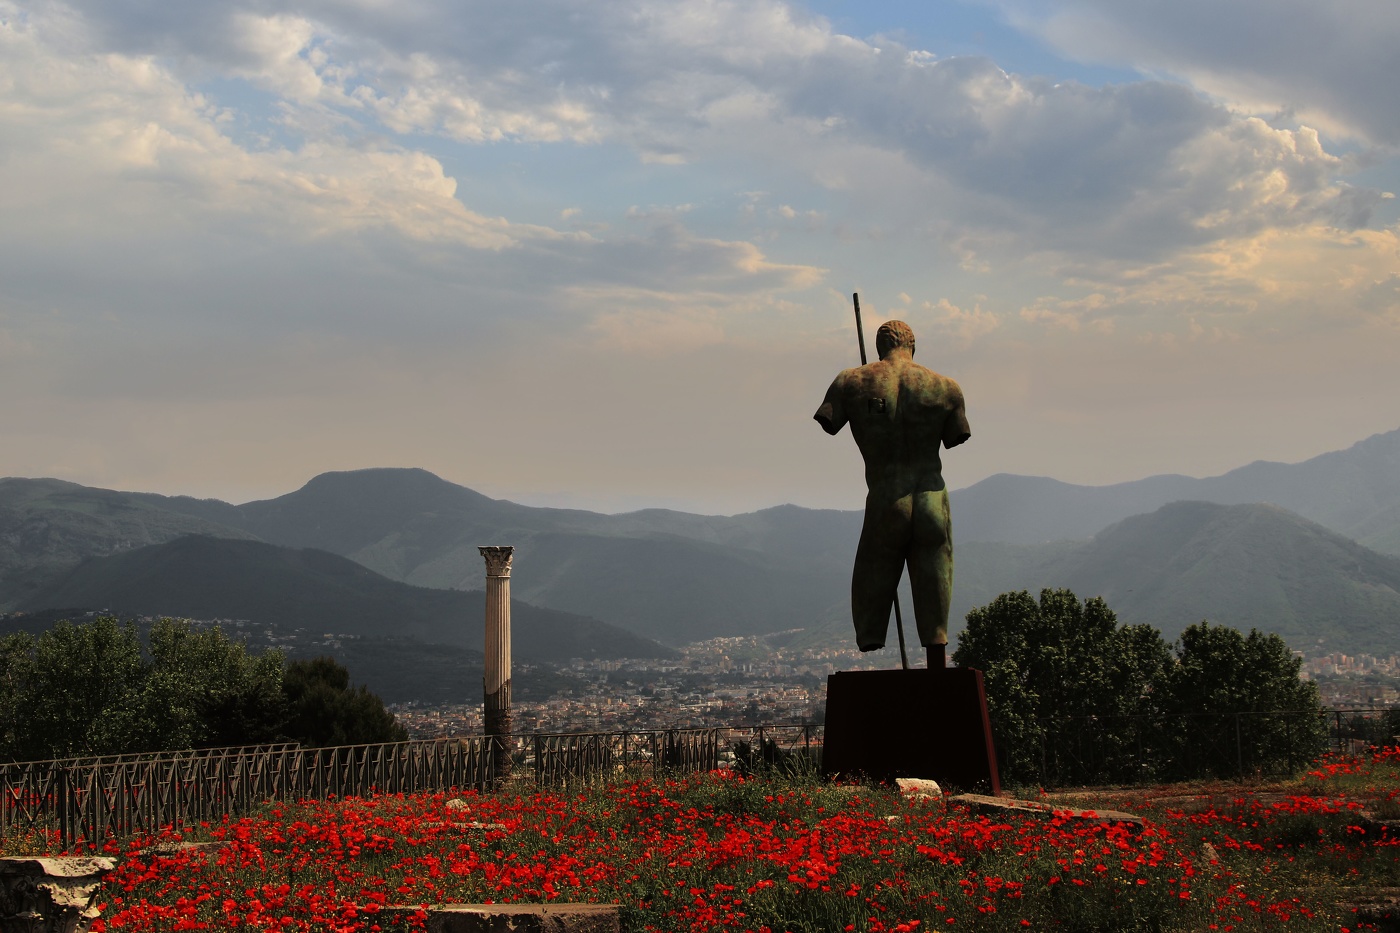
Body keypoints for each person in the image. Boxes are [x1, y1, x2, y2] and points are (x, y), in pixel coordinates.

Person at [814, 320, 970, 669]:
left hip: (887, 498)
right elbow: (956, 434)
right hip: (931, 498)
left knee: (873, 569)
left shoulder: (851, 381)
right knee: (935, 574)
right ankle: (935, 643)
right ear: (913, 345)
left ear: (879, 346)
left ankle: (870, 635)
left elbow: (829, 420)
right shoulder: (946, 388)